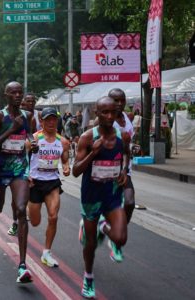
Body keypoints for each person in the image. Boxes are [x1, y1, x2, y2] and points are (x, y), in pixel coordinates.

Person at [72, 96, 130, 298]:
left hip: (112, 194)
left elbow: (125, 154)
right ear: (97, 113)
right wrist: (92, 154)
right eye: (104, 112)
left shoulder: (123, 136)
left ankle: (101, 226)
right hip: (92, 196)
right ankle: (88, 276)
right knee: (90, 244)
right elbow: (76, 171)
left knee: (120, 238)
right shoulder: (88, 137)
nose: (109, 116)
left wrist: (123, 171)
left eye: (113, 112)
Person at [0, 81, 34, 283]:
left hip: (20, 167)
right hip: (1, 167)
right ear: (6, 95)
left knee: (21, 210)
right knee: (0, 206)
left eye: (20, 92)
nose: (18, 95)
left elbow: (28, 134)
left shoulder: (27, 116)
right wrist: (11, 130)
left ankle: (22, 265)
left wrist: (33, 143)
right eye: (14, 92)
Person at [27, 107, 71, 267]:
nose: (52, 122)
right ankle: (27, 208)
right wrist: (26, 174)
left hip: (52, 182)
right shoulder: (34, 139)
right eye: (48, 119)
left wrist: (66, 167)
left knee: (53, 217)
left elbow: (65, 160)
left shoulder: (63, 142)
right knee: (35, 222)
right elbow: (23, 159)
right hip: (35, 183)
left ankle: (46, 252)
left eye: (54, 119)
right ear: (42, 121)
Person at [109, 88, 139, 262]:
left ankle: (117, 237)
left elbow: (127, 145)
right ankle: (90, 226)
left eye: (122, 100)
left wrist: (131, 148)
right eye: (115, 100)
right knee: (101, 211)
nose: (119, 104)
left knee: (129, 202)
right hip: (105, 172)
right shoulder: (104, 120)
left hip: (124, 171)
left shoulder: (128, 118)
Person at [7, 93, 39, 237]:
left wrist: (33, 142)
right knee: (17, 195)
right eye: (28, 101)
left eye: (33, 101)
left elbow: (31, 134)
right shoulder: (16, 115)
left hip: (36, 159)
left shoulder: (37, 116)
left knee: (26, 195)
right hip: (17, 160)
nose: (31, 103)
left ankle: (22, 215)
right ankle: (16, 221)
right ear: (23, 103)